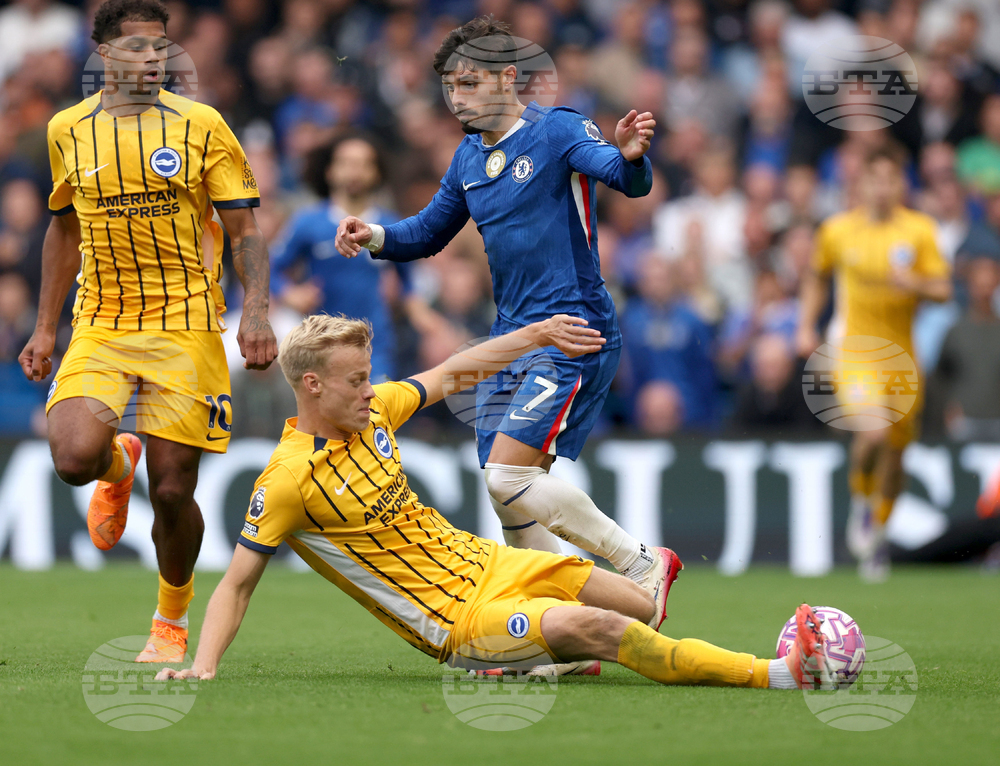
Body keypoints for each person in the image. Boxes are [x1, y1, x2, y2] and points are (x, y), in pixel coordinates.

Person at [156, 312, 831, 692]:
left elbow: (453, 372)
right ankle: (778, 673)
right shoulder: (286, 481)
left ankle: (547, 652)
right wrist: (202, 665)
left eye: (368, 376)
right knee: (609, 629)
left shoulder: (377, 412)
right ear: (311, 386)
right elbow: (237, 583)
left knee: (641, 606)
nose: (369, 389)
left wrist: (537, 336)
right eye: (356, 380)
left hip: (493, 565)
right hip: (460, 622)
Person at [333, 17, 673, 623]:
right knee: (509, 500)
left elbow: (622, 176)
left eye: (468, 83)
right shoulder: (468, 157)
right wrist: (375, 234)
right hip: (510, 341)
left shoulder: (558, 130)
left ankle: (642, 562)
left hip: (572, 330)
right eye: (449, 87)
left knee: (506, 477)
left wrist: (632, 158)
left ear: (508, 77)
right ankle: (552, 632)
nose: (456, 98)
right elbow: (428, 232)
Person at [17, 0, 277, 661]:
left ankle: (170, 621)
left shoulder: (201, 125)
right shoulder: (67, 130)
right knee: (74, 460)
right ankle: (116, 462)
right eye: (137, 47)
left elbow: (244, 229)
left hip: (185, 322)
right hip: (101, 320)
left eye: (161, 46)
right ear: (104, 53)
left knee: (172, 488)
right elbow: (64, 230)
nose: (154, 58)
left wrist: (254, 310)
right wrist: (45, 329)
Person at [796, 143, 952, 581]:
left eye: (890, 179)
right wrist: (805, 325)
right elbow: (816, 276)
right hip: (854, 352)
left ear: (902, 184)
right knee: (874, 429)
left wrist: (915, 282)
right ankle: (861, 500)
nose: (882, 188)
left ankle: (878, 533)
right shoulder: (838, 230)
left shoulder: (919, 230)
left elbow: (943, 289)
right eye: (874, 179)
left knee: (896, 457)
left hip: (904, 358)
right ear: (860, 183)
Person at [271, 134, 409, 382]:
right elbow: (270, 268)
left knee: (375, 405)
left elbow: (408, 281)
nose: (355, 171)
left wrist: (402, 298)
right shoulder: (308, 223)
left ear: (377, 172)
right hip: (322, 347)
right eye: (346, 163)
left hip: (374, 348)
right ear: (330, 171)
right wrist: (290, 293)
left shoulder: (390, 225)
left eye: (364, 164)